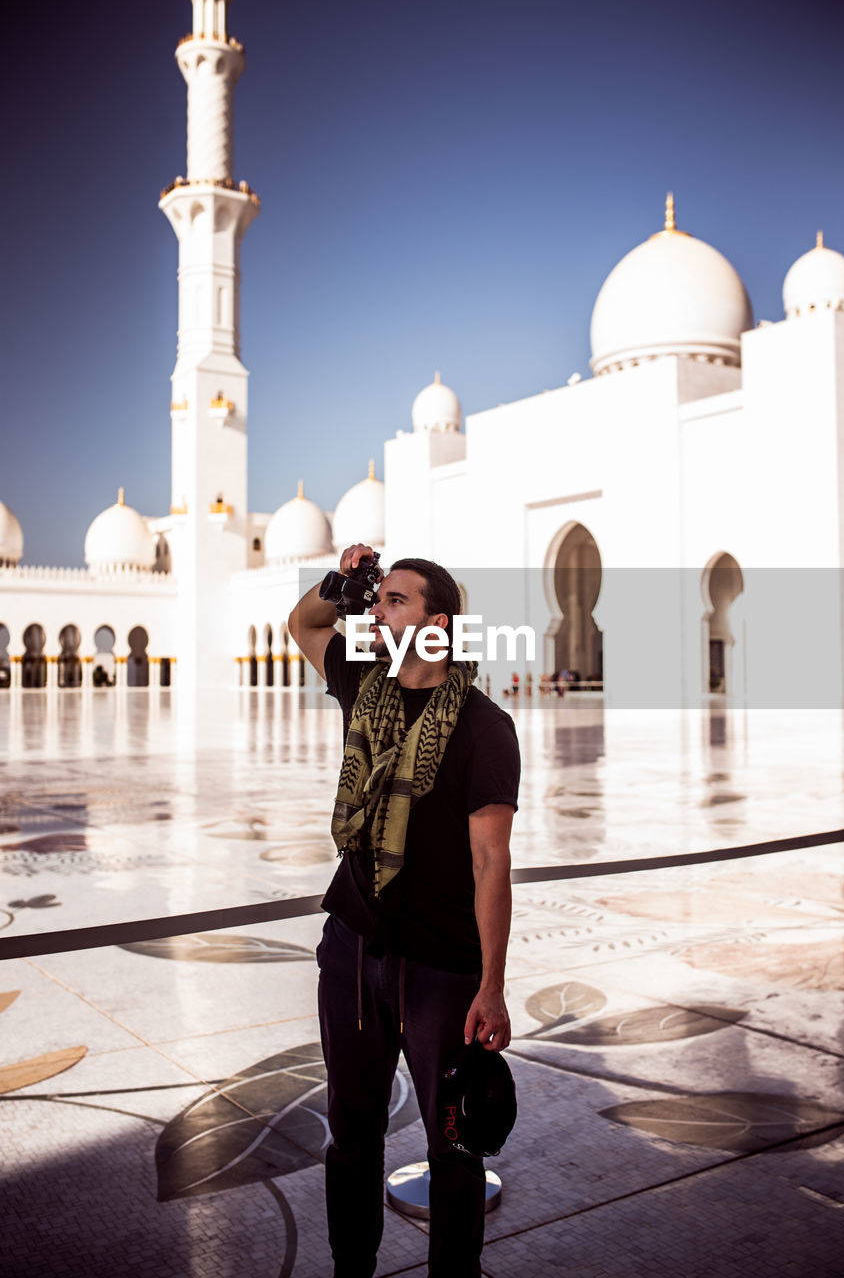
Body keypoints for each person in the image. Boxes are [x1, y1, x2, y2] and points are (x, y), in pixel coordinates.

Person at [288, 545, 520, 1278]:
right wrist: (343, 581)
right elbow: (303, 623)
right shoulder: (365, 686)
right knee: (351, 1129)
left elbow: (491, 861)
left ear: (437, 622)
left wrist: (491, 984)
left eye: (394, 601)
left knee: (452, 1142)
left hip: (442, 964)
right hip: (355, 944)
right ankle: (350, 1265)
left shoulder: (484, 726)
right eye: (377, 600)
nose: (376, 612)